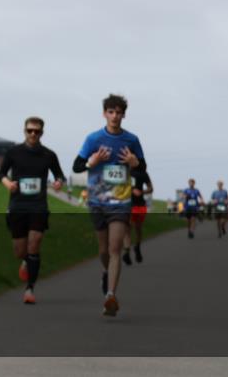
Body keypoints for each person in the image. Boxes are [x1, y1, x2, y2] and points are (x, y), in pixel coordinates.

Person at [73, 94, 146, 317]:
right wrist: (91, 162)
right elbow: (77, 166)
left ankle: (110, 296)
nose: (115, 116)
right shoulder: (93, 139)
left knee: (115, 249)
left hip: (121, 202)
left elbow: (142, 168)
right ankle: (106, 272)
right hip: (98, 201)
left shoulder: (131, 140)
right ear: (105, 113)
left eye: (119, 112)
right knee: (104, 250)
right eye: (111, 112)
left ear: (124, 114)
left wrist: (134, 164)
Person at [0, 117, 67, 304]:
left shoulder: (48, 155)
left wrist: (59, 182)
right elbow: (1, 174)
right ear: (24, 131)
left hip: (38, 205)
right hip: (18, 205)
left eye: (37, 131)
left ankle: (30, 289)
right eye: (30, 130)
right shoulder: (13, 152)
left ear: (42, 133)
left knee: (35, 243)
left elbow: (60, 175)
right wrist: (8, 184)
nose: (33, 134)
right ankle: (25, 260)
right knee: (20, 251)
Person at [123, 168, 153, 264]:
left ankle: (137, 247)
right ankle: (127, 252)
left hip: (139, 204)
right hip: (126, 204)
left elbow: (151, 188)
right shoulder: (123, 171)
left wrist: (141, 192)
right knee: (127, 228)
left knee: (138, 228)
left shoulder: (143, 173)